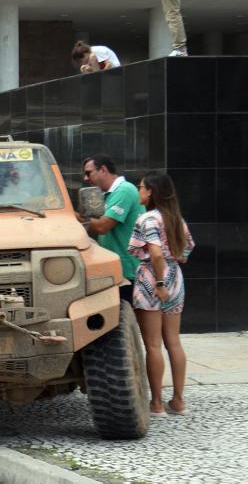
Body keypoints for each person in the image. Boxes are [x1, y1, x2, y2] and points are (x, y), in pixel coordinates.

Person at [129, 170, 194, 416]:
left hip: (152, 279)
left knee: (153, 345)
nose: (138, 190)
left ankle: (156, 404)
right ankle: (178, 401)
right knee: (174, 341)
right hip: (176, 277)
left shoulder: (148, 219)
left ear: (151, 191)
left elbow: (154, 253)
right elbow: (185, 255)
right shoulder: (177, 219)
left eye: (141, 186)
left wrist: (158, 282)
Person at [82, 154, 145, 302]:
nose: (86, 178)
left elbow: (102, 227)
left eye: (88, 172)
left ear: (103, 170)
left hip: (128, 271)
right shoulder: (107, 195)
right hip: (115, 270)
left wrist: (74, 216)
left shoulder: (124, 190)